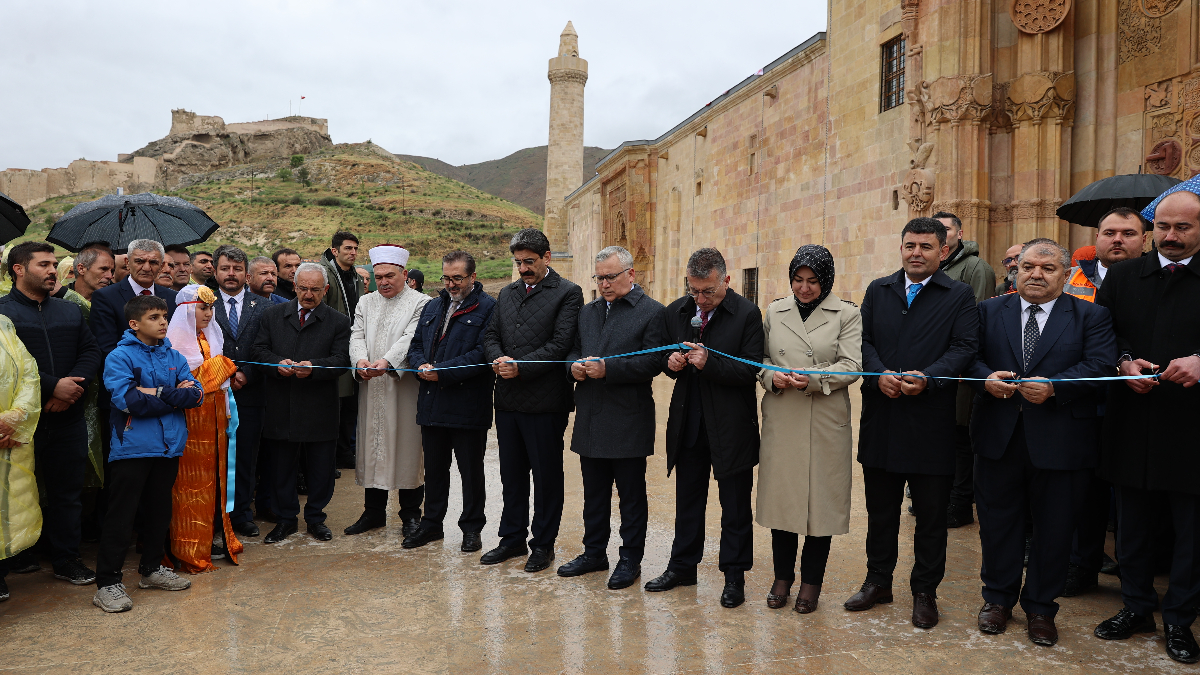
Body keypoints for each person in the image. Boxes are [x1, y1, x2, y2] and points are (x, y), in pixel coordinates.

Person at [966, 238, 1115, 646]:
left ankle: (1041, 608)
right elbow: (970, 356)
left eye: (1048, 269)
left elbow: (1100, 365)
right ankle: (997, 600)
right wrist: (986, 378)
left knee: (1054, 528)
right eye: (1029, 266)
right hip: (999, 437)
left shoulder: (1091, 315)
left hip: (1062, 441)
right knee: (997, 524)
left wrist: (1056, 387)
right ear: (1016, 271)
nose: (1036, 274)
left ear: (1065, 276)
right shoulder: (988, 311)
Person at [845, 217, 979, 629]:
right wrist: (877, 372)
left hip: (929, 423)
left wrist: (930, 377)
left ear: (943, 250)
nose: (916, 253)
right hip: (882, 418)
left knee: (931, 515)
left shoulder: (958, 295)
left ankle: (925, 591)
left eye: (925, 246)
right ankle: (877, 581)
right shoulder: (878, 290)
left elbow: (965, 347)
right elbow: (861, 341)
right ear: (900, 248)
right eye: (909, 246)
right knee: (881, 511)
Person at [1093, 188, 1200, 663]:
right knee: (1131, 525)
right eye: (1164, 226)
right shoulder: (1122, 277)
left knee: (1191, 531)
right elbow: (1103, 332)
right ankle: (1136, 607)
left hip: (1192, 427)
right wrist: (1123, 362)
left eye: (1184, 228)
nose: (1171, 236)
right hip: (1132, 419)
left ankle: (1179, 619)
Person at [645, 247, 764, 608]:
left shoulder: (747, 314)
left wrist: (709, 363)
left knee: (735, 506)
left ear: (725, 281)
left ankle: (733, 575)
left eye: (708, 291)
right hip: (690, 421)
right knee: (689, 500)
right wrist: (671, 362)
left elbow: (750, 371)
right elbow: (657, 354)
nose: (700, 299)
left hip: (731, 424)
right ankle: (682, 565)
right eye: (693, 290)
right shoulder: (677, 312)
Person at [757, 245, 862, 613]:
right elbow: (762, 359)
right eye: (798, 280)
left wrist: (813, 379)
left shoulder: (847, 314)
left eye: (813, 281)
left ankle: (811, 583)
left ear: (827, 281)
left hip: (824, 418)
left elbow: (852, 365)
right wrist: (773, 376)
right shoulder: (774, 310)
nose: (804, 288)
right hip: (784, 416)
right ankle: (782, 577)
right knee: (783, 502)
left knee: (822, 505)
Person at [557, 246, 665, 590]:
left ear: (630, 275)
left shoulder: (652, 312)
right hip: (590, 413)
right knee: (594, 492)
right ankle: (594, 553)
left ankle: (630, 558)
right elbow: (572, 349)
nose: (604, 284)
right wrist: (572, 367)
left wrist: (609, 369)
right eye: (599, 277)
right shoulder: (587, 312)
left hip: (628, 417)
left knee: (631, 495)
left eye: (610, 277)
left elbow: (654, 362)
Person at [480, 228, 583, 572]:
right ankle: (511, 540)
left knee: (546, 477)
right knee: (511, 475)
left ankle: (543, 545)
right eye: (518, 262)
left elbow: (561, 344)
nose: (523, 268)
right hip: (507, 400)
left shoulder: (568, 293)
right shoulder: (507, 293)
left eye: (529, 262)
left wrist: (520, 367)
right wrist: (498, 359)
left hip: (545, 403)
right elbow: (491, 335)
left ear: (547, 258)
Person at [0, 241, 102, 586]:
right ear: (19, 269)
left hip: (67, 419)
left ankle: (66, 558)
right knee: (9, 496)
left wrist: (73, 388)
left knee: (66, 495)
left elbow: (91, 351)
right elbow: (10, 369)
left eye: (53, 263)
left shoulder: (69, 311)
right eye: (44, 264)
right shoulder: (2, 315)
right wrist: (52, 386)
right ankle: (6, 567)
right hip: (19, 425)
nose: (52, 270)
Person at [94, 295, 202, 612]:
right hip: (133, 447)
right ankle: (107, 583)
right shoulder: (119, 357)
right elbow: (129, 402)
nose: (163, 322)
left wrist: (156, 392)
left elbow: (195, 395)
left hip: (169, 446)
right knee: (122, 515)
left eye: (165, 316)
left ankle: (151, 570)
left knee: (159, 511)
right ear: (134, 324)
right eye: (154, 317)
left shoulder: (174, 355)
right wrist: (172, 395)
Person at [1062, 207, 1147, 598]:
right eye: (1109, 232)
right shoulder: (1074, 278)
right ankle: (1084, 564)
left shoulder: (1155, 278)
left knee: (1135, 495)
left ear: (1143, 239)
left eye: (1127, 233)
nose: (1117, 240)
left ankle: (1141, 575)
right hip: (1086, 400)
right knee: (1086, 491)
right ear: (1096, 238)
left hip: (1139, 401)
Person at [253, 262, 351, 544]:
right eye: (303, 288)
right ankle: (285, 519)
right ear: (294, 286)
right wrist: (275, 364)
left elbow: (342, 360)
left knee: (321, 469)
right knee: (281, 468)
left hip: (320, 406)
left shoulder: (338, 321)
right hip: (281, 404)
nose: (308, 295)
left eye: (315, 290)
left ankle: (316, 518)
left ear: (326, 290)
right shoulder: (272, 315)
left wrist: (315, 367)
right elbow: (259, 351)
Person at [407, 251, 496, 552]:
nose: (451, 284)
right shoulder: (433, 305)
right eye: (446, 278)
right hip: (432, 403)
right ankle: (431, 525)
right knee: (434, 470)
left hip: (467, 405)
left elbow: (483, 355)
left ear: (473, 276)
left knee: (470, 472)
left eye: (457, 278)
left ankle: (472, 528)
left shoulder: (489, 309)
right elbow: (417, 344)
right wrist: (421, 366)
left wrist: (441, 373)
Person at [342, 246, 432, 537]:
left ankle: (410, 515)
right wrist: (360, 361)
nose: (383, 282)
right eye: (378, 276)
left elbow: (412, 337)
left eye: (389, 276)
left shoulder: (422, 302)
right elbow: (356, 334)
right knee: (372, 447)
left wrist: (388, 361)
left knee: (406, 447)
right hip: (371, 385)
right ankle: (373, 512)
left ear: (405, 274)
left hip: (403, 386)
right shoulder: (366, 302)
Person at [165, 284, 243, 571]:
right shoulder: (173, 342)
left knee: (219, 477)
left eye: (210, 308)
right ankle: (188, 547)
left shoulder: (211, 337)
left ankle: (214, 537)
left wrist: (220, 367)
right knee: (191, 485)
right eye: (202, 307)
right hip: (190, 422)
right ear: (187, 309)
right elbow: (189, 380)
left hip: (216, 417)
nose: (209, 313)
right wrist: (221, 367)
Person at [930, 212, 996, 528]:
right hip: (932, 367)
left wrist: (959, 361)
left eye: (946, 229)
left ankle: (959, 504)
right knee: (941, 434)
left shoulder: (976, 268)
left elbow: (978, 318)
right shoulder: (931, 268)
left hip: (960, 368)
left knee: (961, 436)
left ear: (959, 232)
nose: (941, 234)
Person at [208, 246, 272, 541]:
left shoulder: (264, 307)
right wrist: (225, 374)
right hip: (212, 394)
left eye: (236, 269)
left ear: (246, 275)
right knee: (213, 458)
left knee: (246, 456)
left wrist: (246, 372)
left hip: (251, 394)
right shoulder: (202, 304)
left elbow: (268, 347)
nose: (230, 274)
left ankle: (242, 514)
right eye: (224, 268)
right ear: (215, 271)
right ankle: (214, 514)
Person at [0, 315, 43, 604]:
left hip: (9, 437)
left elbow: (28, 373)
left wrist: (15, 420)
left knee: (7, 506)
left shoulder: (4, 324)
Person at [320, 232, 365, 471]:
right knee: (333, 402)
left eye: (356, 249)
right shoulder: (324, 274)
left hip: (353, 345)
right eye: (348, 248)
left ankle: (344, 450)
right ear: (335, 251)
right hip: (332, 346)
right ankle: (330, 454)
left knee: (350, 402)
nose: (353, 253)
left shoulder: (355, 277)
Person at [91, 239, 179, 354]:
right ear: (127, 263)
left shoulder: (173, 298)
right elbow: (106, 347)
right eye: (139, 261)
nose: (146, 268)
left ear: (161, 265)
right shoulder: (106, 297)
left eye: (153, 262)